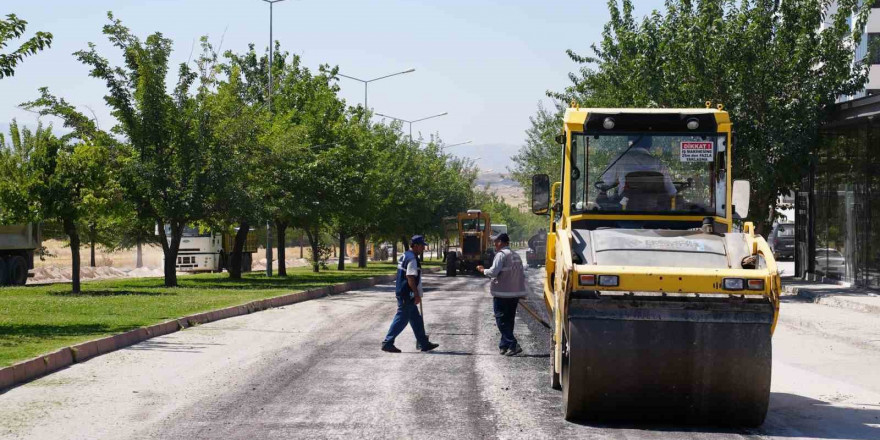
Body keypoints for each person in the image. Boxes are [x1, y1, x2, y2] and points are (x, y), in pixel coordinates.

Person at [381, 235, 440, 353]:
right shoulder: (412, 259)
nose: (423, 248)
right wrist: (416, 294)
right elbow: (410, 277)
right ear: (416, 245)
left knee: (416, 319)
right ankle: (387, 342)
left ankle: (423, 343)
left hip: (403, 291)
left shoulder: (405, 255)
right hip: (406, 293)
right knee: (402, 318)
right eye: (422, 246)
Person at [477, 233, 528, 356]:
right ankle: (504, 345)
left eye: (496, 241)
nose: (494, 244)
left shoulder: (501, 255)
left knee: (500, 320)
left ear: (501, 242)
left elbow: (494, 272)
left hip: (502, 294)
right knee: (509, 321)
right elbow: (521, 275)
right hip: (513, 294)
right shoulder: (515, 255)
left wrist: (483, 270)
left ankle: (513, 344)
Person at [602, 136, 677, 204]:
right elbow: (671, 191)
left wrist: (618, 180)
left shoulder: (619, 159)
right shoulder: (657, 163)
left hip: (626, 204)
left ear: (629, 143)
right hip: (653, 207)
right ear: (649, 145)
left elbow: (607, 181)